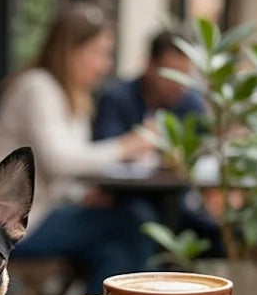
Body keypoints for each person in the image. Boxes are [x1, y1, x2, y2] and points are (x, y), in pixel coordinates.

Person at [0, 1, 155, 295]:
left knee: (113, 251)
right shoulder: (37, 86)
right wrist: (125, 147)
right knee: (135, 221)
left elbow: (64, 167)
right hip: (12, 225)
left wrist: (82, 195)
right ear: (71, 50)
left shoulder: (70, 95)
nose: (105, 65)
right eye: (99, 53)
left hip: (45, 212)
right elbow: (60, 160)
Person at [93, 29, 225, 257]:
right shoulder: (117, 98)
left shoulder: (191, 104)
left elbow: (206, 152)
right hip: (127, 200)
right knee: (141, 224)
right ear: (150, 66)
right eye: (171, 73)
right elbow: (105, 154)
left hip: (179, 201)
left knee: (216, 234)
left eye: (185, 74)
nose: (178, 84)